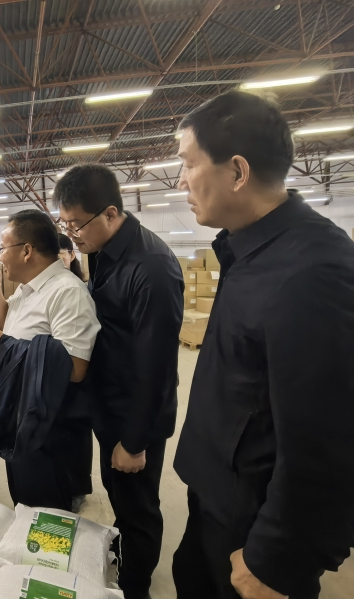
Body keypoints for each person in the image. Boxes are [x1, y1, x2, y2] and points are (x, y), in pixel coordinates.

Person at [172, 91, 354, 599]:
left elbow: (331, 439)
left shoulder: (313, 269)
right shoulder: (250, 249)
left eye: (188, 164)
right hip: (217, 498)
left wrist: (275, 558)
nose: (181, 180)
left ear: (237, 171)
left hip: (254, 529)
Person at [54, 165, 184, 599]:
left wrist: (134, 441)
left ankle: (135, 587)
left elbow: (156, 367)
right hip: (110, 404)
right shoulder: (103, 248)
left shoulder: (152, 268)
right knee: (121, 497)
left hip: (135, 414)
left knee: (138, 508)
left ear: (110, 213)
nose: (71, 234)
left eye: (76, 224)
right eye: (65, 223)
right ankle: (126, 561)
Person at [0, 210, 100, 511]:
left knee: (48, 513)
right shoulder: (28, 290)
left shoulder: (67, 292)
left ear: (26, 251)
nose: (0, 257)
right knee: (25, 502)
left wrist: (2, 347)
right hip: (23, 416)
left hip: (51, 428)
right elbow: (7, 325)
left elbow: (75, 367)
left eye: (2, 249)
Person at [56, 231, 93, 510]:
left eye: (61, 255)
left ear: (71, 255)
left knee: (77, 431)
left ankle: (79, 487)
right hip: (57, 370)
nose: (57, 261)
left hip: (78, 369)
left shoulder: (79, 288)